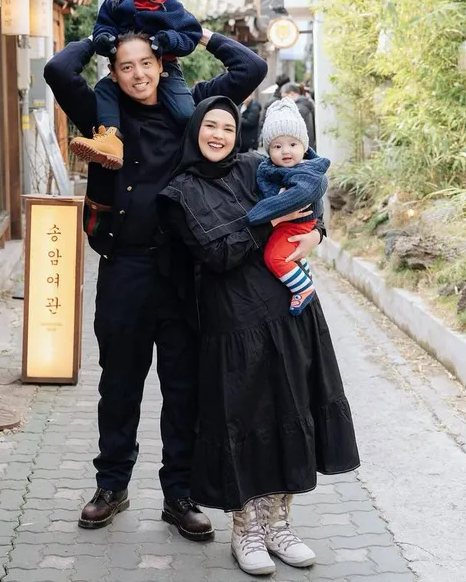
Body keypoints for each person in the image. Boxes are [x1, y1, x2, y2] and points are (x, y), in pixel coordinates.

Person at [45, 26, 279, 540]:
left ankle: (180, 494)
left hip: (183, 273)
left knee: (183, 388)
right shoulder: (100, 117)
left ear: (162, 65)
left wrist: (198, 34)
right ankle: (112, 485)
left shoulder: (188, 109)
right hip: (125, 268)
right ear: (113, 71)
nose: (138, 74)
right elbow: (58, 71)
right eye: (126, 66)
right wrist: (97, 38)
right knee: (120, 383)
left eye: (146, 63)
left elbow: (251, 70)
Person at [159, 96, 359, 576]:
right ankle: (245, 529)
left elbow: (307, 190)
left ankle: (278, 525)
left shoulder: (255, 165)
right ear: (196, 131)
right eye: (210, 125)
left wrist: (317, 234)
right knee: (243, 422)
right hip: (232, 323)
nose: (219, 135)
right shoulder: (180, 193)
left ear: (238, 134)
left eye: (228, 127)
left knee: (293, 411)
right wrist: (271, 219)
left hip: (290, 314)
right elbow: (219, 252)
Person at [69, 0, 202, 170]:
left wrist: (167, 41)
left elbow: (190, 36)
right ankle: (111, 139)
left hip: (166, 69)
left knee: (186, 113)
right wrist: (104, 40)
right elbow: (103, 26)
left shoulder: (172, 9)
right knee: (104, 90)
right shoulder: (117, 2)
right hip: (126, 68)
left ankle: (191, 153)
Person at [246, 98, 330, 314]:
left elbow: (298, 198)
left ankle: (303, 287)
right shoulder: (269, 168)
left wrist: (264, 212)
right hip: (287, 224)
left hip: (297, 224)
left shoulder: (307, 172)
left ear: (304, 146)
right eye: (277, 146)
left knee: (274, 256)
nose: (286, 151)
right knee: (287, 253)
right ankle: (304, 272)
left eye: (293, 144)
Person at [281, 82, 316, 151]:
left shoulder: (297, 109)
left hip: (301, 149)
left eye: (284, 97)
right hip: (307, 147)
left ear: (292, 94)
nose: (283, 100)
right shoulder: (306, 104)